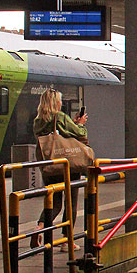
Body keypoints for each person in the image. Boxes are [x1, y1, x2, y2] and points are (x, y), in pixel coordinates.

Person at [32, 89, 88, 251]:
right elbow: (79, 134)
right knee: (70, 203)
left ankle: (40, 226)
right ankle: (66, 241)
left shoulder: (38, 121)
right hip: (66, 164)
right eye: (60, 100)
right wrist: (80, 124)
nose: (61, 103)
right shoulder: (60, 117)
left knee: (54, 202)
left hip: (49, 165)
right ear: (55, 102)